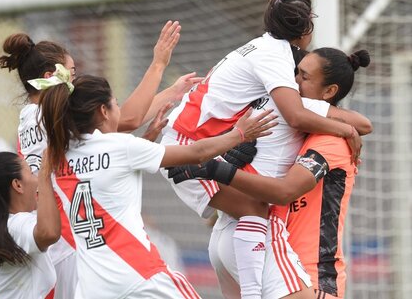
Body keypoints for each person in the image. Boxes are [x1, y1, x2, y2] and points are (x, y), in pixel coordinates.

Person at [159, 0, 369, 298]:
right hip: (282, 253)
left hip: (233, 235)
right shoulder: (310, 116)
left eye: (304, 76)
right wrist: (218, 168)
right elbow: (285, 189)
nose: (295, 80)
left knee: (253, 208)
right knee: (257, 208)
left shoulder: (272, 81)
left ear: (329, 90)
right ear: (305, 29)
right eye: (296, 73)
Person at [33, 66, 276, 298]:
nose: (119, 109)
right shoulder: (121, 147)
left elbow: (104, 176)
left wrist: (147, 139)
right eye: (116, 103)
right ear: (103, 111)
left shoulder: (56, 159)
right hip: (140, 274)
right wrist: (240, 133)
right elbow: (196, 153)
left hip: (92, 288)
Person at [0, 20, 198, 299]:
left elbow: (116, 121)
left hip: (55, 240)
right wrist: (158, 64)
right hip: (73, 242)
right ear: (50, 75)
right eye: (72, 72)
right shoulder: (51, 115)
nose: (75, 80)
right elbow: (124, 118)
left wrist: (172, 92)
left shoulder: (29, 118)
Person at [0, 151, 60, 298]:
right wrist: (45, 174)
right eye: (31, 173)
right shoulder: (13, 227)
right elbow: (49, 232)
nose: (36, 179)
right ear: (17, 185)